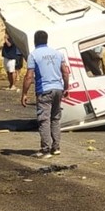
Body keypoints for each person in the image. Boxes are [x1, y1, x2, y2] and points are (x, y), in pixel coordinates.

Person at [21, 30, 70, 158]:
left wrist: (24, 94)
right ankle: (56, 147)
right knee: (55, 119)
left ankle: (45, 150)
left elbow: (29, 77)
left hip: (44, 91)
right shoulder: (58, 54)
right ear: (46, 40)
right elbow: (65, 72)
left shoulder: (34, 55)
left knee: (44, 120)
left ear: (35, 41)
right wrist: (66, 88)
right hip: (58, 89)